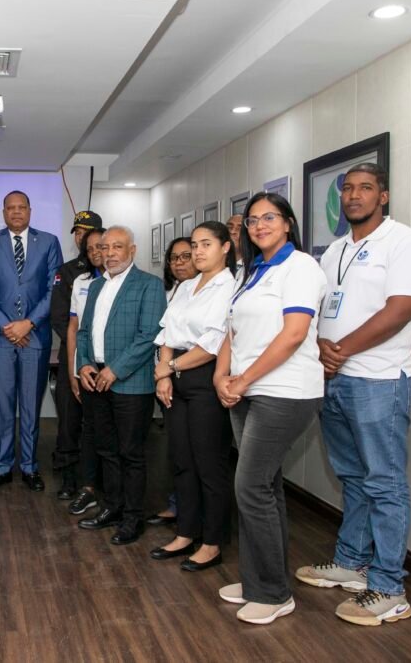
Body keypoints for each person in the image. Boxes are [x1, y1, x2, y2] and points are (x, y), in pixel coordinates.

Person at [295, 163, 411, 627]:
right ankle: (352, 563)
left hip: (379, 379)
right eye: (348, 189)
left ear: (383, 196)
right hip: (333, 379)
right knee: (351, 476)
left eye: (365, 188)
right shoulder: (333, 250)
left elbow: (401, 308)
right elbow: (316, 310)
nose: (354, 195)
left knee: (384, 483)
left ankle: (390, 586)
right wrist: (319, 348)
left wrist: (342, 351)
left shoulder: (403, 241)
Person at [214, 192, 326, 625]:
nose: (259, 225)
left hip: (284, 391)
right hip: (245, 390)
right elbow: (233, 330)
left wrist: (242, 379)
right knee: (266, 486)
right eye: (252, 219)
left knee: (251, 487)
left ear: (288, 224)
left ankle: (275, 593)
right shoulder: (252, 270)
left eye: (269, 218)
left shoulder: (300, 267)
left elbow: (294, 333)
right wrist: (221, 376)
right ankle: (261, 577)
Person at [151, 222, 236, 571]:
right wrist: (164, 373)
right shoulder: (186, 286)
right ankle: (186, 532)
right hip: (176, 375)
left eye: (206, 244)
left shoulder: (230, 286)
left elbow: (213, 343)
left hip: (205, 375)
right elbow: (169, 330)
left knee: (209, 464)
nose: (198, 252)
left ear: (226, 247)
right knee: (182, 459)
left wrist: (169, 368)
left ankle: (212, 541)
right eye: (195, 245)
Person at [76, 227, 166, 545]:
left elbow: (148, 336)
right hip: (95, 378)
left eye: (117, 246)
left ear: (132, 250)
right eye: (105, 247)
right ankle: (112, 508)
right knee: (106, 450)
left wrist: (114, 370)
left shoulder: (149, 285)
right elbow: (84, 331)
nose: (110, 252)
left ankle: (133, 517)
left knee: (131, 453)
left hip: (130, 382)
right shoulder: (97, 284)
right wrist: (84, 363)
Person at [0, 190, 63, 492]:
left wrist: (28, 323)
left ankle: (28, 466)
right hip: (1, 338)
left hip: (35, 336)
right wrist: (6, 327)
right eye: (10, 208)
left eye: (21, 207)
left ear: (30, 210)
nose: (16, 212)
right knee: (3, 405)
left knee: (30, 406)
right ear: (3, 212)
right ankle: (2, 467)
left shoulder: (50, 242)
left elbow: (54, 290)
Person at [50, 210, 103, 499]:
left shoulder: (113, 272)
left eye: (89, 231)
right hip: (71, 354)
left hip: (105, 361)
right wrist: (79, 353)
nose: (82, 236)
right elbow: (60, 318)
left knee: (99, 424)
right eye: (78, 232)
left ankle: (96, 479)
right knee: (69, 421)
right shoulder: (69, 272)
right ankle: (69, 477)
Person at [147, 236, 198, 527]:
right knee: (177, 449)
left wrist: (169, 367)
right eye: (174, 258)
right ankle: (177, 505)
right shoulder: (170, 291)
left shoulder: (209, 289)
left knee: (194, 453)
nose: (179, 263)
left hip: (192, 377)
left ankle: (191, 515)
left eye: (185, 256)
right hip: (165, 378)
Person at [65, 227, 105, 516]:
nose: (96, 253)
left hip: (118, 370)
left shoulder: (134, 282)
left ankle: (116, 495)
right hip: (87, 367)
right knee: (90, 431)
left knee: (118, 435)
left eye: (101, 247)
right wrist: (73, 369)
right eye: (90, 249)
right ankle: (90, 488)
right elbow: (73, 328)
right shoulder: (81, 281)